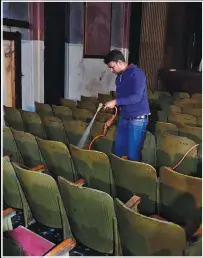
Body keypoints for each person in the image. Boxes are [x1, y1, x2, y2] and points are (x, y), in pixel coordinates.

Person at [103, 49, 150, 161]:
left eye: (112, 67)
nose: (111, 70)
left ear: (120, 62)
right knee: (119, 152)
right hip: (124, 118)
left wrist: (115, 102)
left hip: (137, 119)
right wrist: (112, 118)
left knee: (132, 155)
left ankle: (133, 178)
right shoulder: (119, 77)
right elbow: (123, 100)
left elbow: (136, 97)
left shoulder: (137, 74)